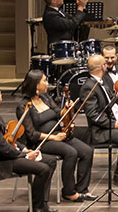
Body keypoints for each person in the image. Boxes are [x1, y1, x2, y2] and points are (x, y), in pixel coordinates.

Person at [0, 82, 58, 212]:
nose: (2, 96)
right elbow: (3, 148)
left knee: (51, 161)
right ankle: (36, 207)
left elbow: (9, 138)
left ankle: (41, 203)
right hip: (2, 162)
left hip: (10, 156)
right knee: (43, 169)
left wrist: (25, 149)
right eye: (1, 95)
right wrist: (25, 156)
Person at [16, 70, 93, 202]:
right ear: (35, 85)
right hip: (42, 141)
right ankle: (69, 192)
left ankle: (82, 189)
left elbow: (59, 114)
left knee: (87, 151)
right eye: (44, 81)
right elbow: (31, 134)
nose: (47, 83)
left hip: (59, 135)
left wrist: (67, 109)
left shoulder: (45, 98)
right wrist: (53, 137)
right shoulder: (24, 106)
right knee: (71, 153)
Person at [81, 54, 118, 187]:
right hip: (100, 130)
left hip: (113, 120)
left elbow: (114, 101)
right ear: (103, 67)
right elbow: (94, 115)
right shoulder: (89, 87)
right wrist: (113, 124)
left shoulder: (101, 82)